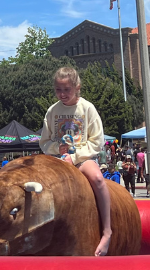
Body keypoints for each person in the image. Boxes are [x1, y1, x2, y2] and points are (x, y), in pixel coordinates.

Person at [38, 66, 112, 256]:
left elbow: (97, 141)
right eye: (58, 90)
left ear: (77, 87)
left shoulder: (87, 108)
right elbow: (44, 142)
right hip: (58, 160)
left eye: (67, 90)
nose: (62, 94)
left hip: (83, 159)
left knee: (97, 179)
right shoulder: (52, 111)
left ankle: (107, 231)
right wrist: (56, 149)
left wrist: (76, 156)